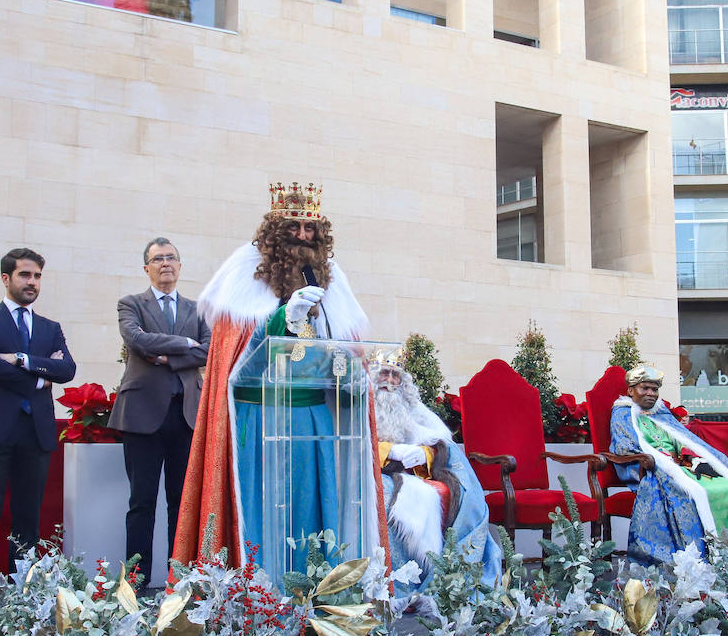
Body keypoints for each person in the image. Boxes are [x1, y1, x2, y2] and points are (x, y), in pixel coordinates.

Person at [173, 183, 373, 574]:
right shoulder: (245, 270)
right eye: (294, 226)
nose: (302, 236)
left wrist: (353, 370)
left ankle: (316, 588)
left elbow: (345, 347)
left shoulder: (329, 276)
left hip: (313, 418)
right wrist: (285, 318)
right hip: (260, 416)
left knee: (312, 509)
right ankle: (261, 594)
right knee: (262, 506)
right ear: (276, 228)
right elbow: (236, 357)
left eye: (310, 229)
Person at [107, 238, 211, 588]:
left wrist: (168, 356)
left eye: (171, 258)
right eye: (157, 259)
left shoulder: (198, 310)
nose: (165, 263)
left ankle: (178, 582)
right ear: (146, 268)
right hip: (142, 417)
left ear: (180, 266)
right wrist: (185, 345)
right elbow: (136, 340)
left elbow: (210, 351)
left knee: (181, 505)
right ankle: (134, 583)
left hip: (185, 416)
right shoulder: (131, 303)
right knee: (142, 503)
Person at [0, 248, 76, 567]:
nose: (32, 282)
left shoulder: (50, 328)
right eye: (25, 275)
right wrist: (42, 377)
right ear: (6, 278)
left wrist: (21, 359)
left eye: (37, 276)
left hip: (36, 433)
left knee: (28, 521)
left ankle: (23, 595)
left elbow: (67, 370)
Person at [609, 365, 728, 565]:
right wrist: (659, 463)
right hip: (654, 471)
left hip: (683, 467)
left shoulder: (660, 413)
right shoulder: (622, 413)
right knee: (695, 494)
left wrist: (692, 456)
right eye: (644, 388)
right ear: (631, 390)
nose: (650, 393)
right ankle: (704, 560)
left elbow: (683, 441)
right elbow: (623, 447)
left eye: (654, 389)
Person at [370, 358, 500, 582]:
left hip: (412, 472)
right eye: (384, 373)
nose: (389, 381)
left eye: (395, 375)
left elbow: (438, 443)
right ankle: (395, 581)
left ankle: (442, 571)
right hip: (375, 471)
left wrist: (425, 454)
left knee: (452, 491)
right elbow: (357, 445)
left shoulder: (413, 408)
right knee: (391, 496)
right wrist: (390, 450)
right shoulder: (362, 404)